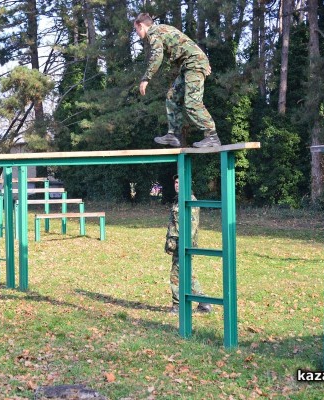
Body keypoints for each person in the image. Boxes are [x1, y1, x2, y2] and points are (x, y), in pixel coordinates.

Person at [133, 13, 222, 148]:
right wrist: (203, 60)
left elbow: (157, 56)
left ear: (141, 25)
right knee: (172, 97)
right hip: (191, 64)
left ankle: (212, 136)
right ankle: (174, 135)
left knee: (192, 102)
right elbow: (186, 42)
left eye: (136, 30)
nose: (137, 33)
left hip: (193, 64)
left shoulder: (154, 33)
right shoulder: (163, 28)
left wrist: (146, 78)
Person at [165, 175, 212, 314]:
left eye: (180, 182)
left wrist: (182, 245)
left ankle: (178, 306)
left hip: (184, 245)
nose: (177, 184)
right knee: (186, 273)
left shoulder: (190, 201)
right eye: (176, 182)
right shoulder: (178, 201)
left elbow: (191, 226)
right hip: (177, 245)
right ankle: (204, 302)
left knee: (176, 275)